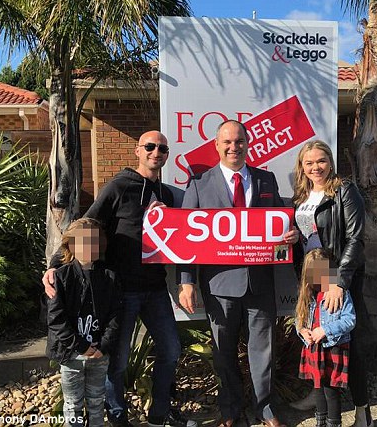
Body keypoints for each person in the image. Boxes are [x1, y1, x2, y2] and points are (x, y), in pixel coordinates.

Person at [44, 131, 196, 427]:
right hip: (120, 292)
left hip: (155, 288)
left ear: (167, 155)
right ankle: (117, 417)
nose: (156, 152)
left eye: (162, 148)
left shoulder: (167, 195)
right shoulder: (118, 186)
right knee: (117, 361)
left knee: (170, 351)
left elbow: (182, 238)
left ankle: (159, 414)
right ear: (138, 151)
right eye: (149, 146)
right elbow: (85, 226)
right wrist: (55, 265)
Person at [178, 120, 299, 427]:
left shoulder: (266, 180)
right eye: (227, 142)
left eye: (239, 141)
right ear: (217, 146)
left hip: (260, 283)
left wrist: (290, 235)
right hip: (219, 285)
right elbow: (186, 239)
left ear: (248, 143)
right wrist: (186, 281)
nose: (234, 147)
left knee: (263, 351)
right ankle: (231, 410)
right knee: (223, 353)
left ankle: (265, 409)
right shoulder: (199, 184)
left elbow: (280, 223)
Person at [291, 140, 372, 427]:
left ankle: (363, 411)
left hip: (337, 277)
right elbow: (305, 239)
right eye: (309, 162)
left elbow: (356, 238)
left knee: (348, 342)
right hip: (311, 279)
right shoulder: (301, 196)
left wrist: (339, 282)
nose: (316, 167)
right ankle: (320, 401)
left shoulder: (344, 191)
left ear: (330, 162)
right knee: (316, 341)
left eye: (321, 161)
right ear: (302, 166)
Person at [46, 218, 121, 427]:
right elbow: (55, 318)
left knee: (97, 402)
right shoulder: (61, 277)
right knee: (73, 404)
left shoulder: (109, 277)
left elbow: (116, 315)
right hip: (71, 354)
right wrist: (80, 346)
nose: (88, 247)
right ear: (70, 244)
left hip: (99, 353)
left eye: (93, 241)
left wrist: (103, 346)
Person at [295, 248, 356, 427]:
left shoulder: (339, 293)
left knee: (330, 391)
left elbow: (350, 320)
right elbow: (299, 318)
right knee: (318, 389)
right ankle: (320, 422)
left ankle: (334, 423)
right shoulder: (308, 293)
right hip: (315, 349)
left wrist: (325, 330)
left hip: (333, 348)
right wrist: (302, 330)